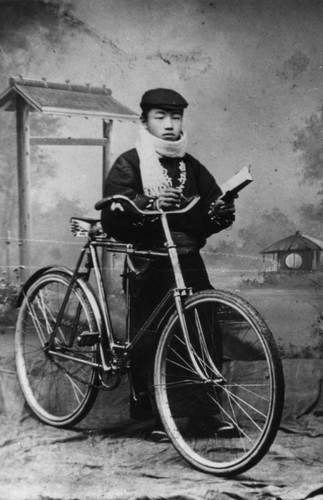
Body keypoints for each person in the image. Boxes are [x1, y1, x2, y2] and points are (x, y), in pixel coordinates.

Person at [101, 88, 236, 440]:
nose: (170, 125)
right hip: (150, 265)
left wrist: (218, 212)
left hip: (188, 262)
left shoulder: (191, 166)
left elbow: (206, 210)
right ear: (144, 121)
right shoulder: (130, 163)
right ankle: (159, 418)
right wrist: (150, 201)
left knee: (202, 335)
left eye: (176, 117)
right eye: (160, 117)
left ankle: (206, 415)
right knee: (155, 337)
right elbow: (115, 216)